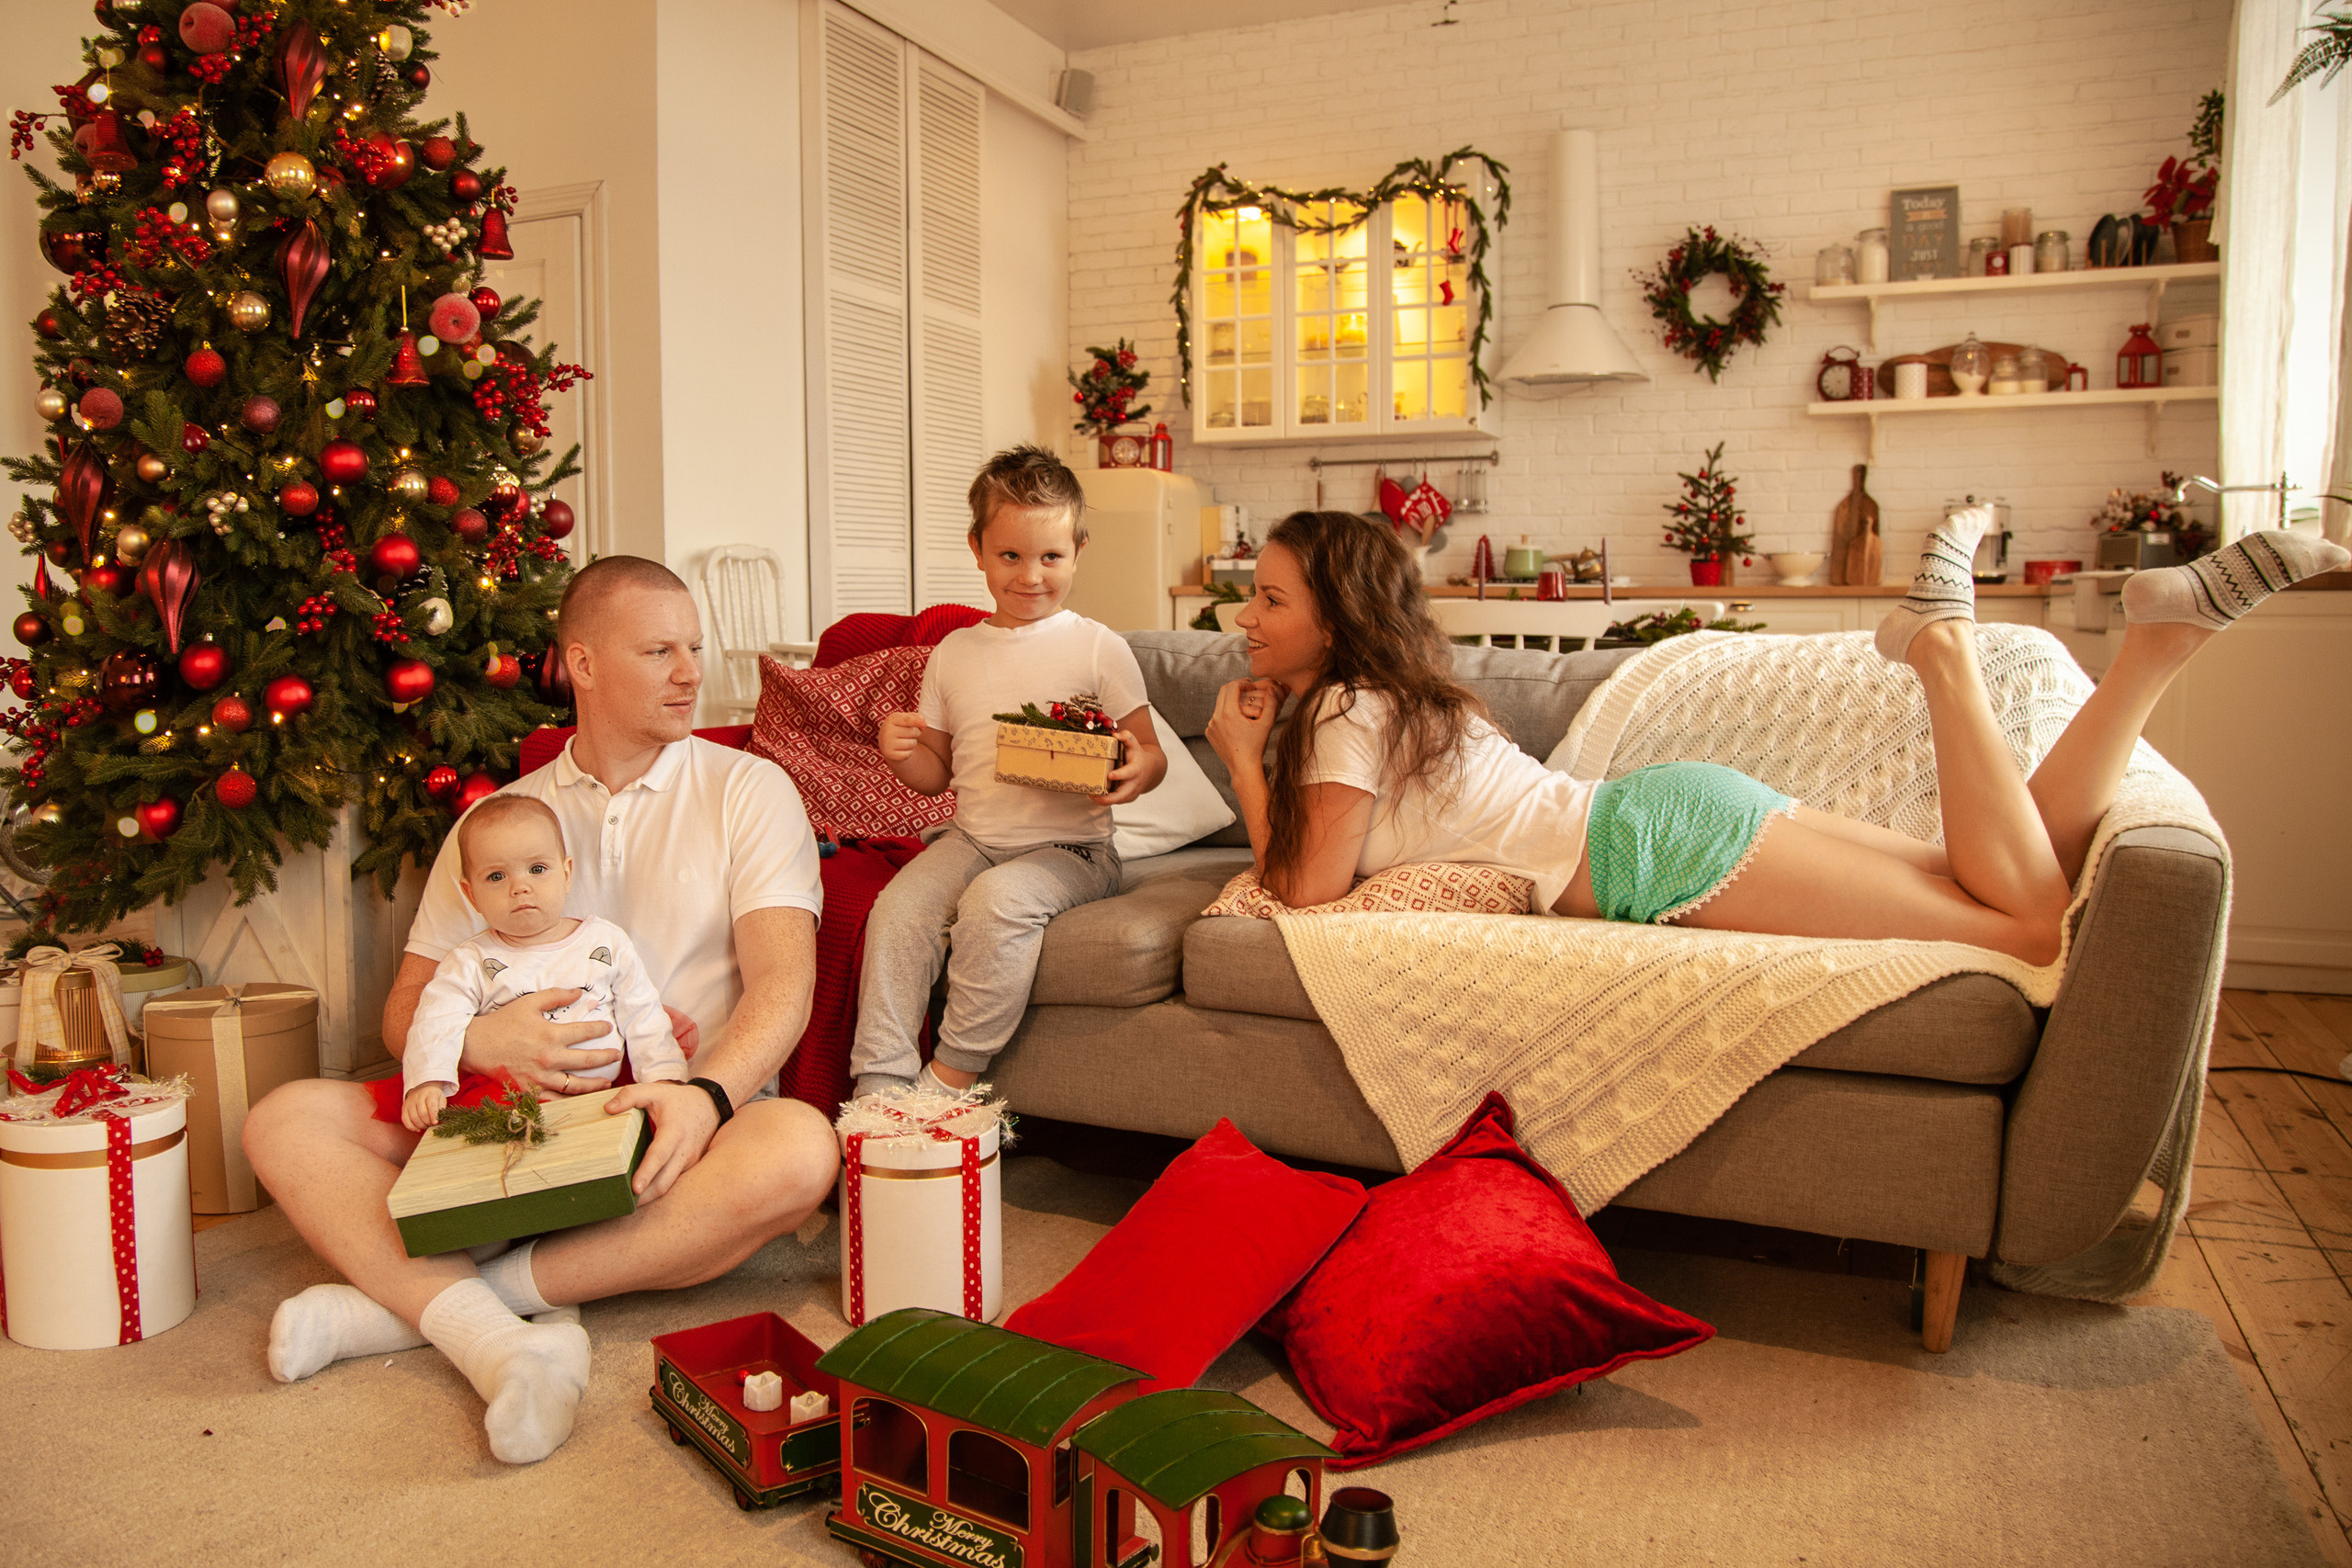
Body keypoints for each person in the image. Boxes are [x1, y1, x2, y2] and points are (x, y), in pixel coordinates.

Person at [242, 556, 835, 1466]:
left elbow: (782, 988)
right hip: (503, 1122)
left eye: (694, 648)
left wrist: (704, 1097)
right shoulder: (501, 821)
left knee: (799, 1149)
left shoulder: (746, 792)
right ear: (584, 665)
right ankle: (504, 1336)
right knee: (284, 1121)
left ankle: (428, 1309)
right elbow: (406, 1013)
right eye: (659, 650)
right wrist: (480, 1040)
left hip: (669, 1124)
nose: (690, 672)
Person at [1205, 507, 2349, 964]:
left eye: (1266, 599)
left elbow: (1301, 892)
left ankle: (1940, 654)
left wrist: (1240, 760)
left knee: (2033, 926)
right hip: (1665, 814)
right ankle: (2157, 647)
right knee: (2021, 885)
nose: (1243, 619)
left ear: (1336, 616)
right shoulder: (1389, 699)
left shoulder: (1345, 712)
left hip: (1660, 850)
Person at [854, 444, 1167, 1099]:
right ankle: (879, 1088)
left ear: (1079, 549)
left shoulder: (1098, 647)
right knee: (898, 909)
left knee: (996, 902)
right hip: (972, 837)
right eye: (1011, 557)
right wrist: (902, 752)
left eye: (1050, 557)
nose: (1031, 575)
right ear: (978, 549)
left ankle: (949, 1078)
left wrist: (1138, 767)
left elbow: (1150, 753)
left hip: (1072, 848)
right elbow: (936, 773)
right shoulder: (953, 652)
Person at [398, 795, 683, 1133]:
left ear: (566, 873)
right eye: (496, 877)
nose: (520, 887)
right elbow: (435, 1022)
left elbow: (643, 1014)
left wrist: (664, 1079)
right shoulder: (469, 961)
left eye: (537, 869)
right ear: (471, 894)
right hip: (508, 1103)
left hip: (605, 1096)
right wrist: (427, 1081)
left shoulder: (604, 942)